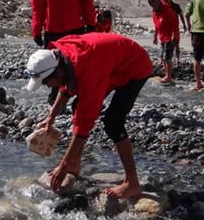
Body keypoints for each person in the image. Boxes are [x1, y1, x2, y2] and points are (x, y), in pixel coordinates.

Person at [26, 33, 152, 198]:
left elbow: (85, 123)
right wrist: (51, 116)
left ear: (56, 72)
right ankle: (75, 165)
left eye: (46, 82)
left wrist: (62, 166)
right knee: (78, 105)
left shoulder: (88, 69)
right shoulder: (61, 57)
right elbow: (66, 86)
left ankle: (132, 183)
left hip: (134, 66)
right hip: (109, 63)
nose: (47, 86)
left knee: (113, 123)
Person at [31, 0, 97, 104]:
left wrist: (91, 23)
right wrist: (36, 30)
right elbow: (37, 7)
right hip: (52, 29)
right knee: (53, 65)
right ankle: (56, 97)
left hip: (75, 27)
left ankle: (81, 97)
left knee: (78, 63)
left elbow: (86, 0)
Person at [148, 0, 179, 85]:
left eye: (156, 3)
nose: (155, 5)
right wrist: (155, 36)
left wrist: (174, 36)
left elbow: (174, 24)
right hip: (162, 37)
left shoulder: (167, 10)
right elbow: (157, 25)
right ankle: (166, 75)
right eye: (153, 4)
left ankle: (169, 77)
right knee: (163, 57)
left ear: (158, 1)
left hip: (169, 37)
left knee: (167, 57)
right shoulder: (155, 13)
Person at [162, 0, 186, 65]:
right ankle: (166, 60)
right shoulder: (162, 7)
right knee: (165, 44)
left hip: (175, 28)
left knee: (176, 44)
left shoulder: (176, 6)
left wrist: (184, 24)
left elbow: (181, 15)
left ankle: (178, 59)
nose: (165, 0)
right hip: (165, 29)